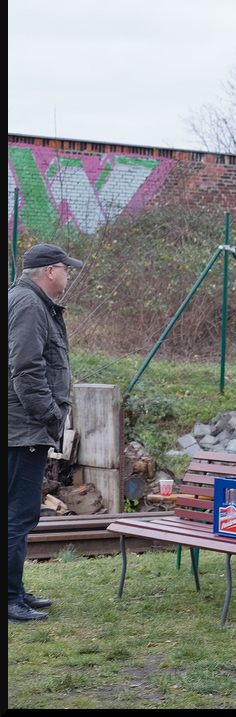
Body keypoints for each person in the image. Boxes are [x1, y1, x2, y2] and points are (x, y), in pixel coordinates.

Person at [9, 243, 82, 623]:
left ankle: (15, 590)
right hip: (23, 429)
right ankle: (8, 598)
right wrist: (52, 417)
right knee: (18, 515)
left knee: (17, 514)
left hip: (22, 427)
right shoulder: (29, 305)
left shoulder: (29, 302)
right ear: (50, 270)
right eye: (65, 269)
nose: (68, 276)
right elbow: (26, 370)